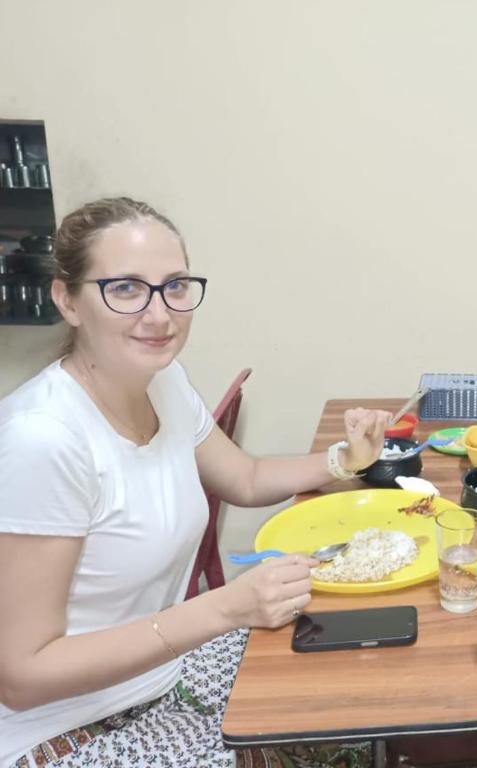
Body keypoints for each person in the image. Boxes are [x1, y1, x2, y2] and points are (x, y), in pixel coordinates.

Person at [0, 198, 390, 767]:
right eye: (126, 289)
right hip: (64, 732)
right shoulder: (45, 439)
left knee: (358, 700)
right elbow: (22, 675)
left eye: (174, 286)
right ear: (68, 300)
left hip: (159, 677)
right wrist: (226, 609)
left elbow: (246, 477)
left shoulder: (162, 380)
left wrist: (344, 460)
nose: (160, 315)